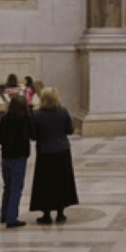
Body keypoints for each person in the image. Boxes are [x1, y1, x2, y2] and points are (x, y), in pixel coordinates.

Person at [29, 87, 78, 224]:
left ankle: (46, 214)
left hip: (45, 152)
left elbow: (33, 136)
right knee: (61, 181)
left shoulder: (36, 114)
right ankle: (61, 213)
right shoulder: (63, 111)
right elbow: (70, 130)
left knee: (45, 183)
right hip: (62, 151)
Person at [0, 94, 30, 228]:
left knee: (7, 186)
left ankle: (4, 214)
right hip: (19, 157)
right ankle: (11, 218)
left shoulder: (5, 119)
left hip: (6, 156)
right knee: (16, 187)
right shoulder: (25, 120)